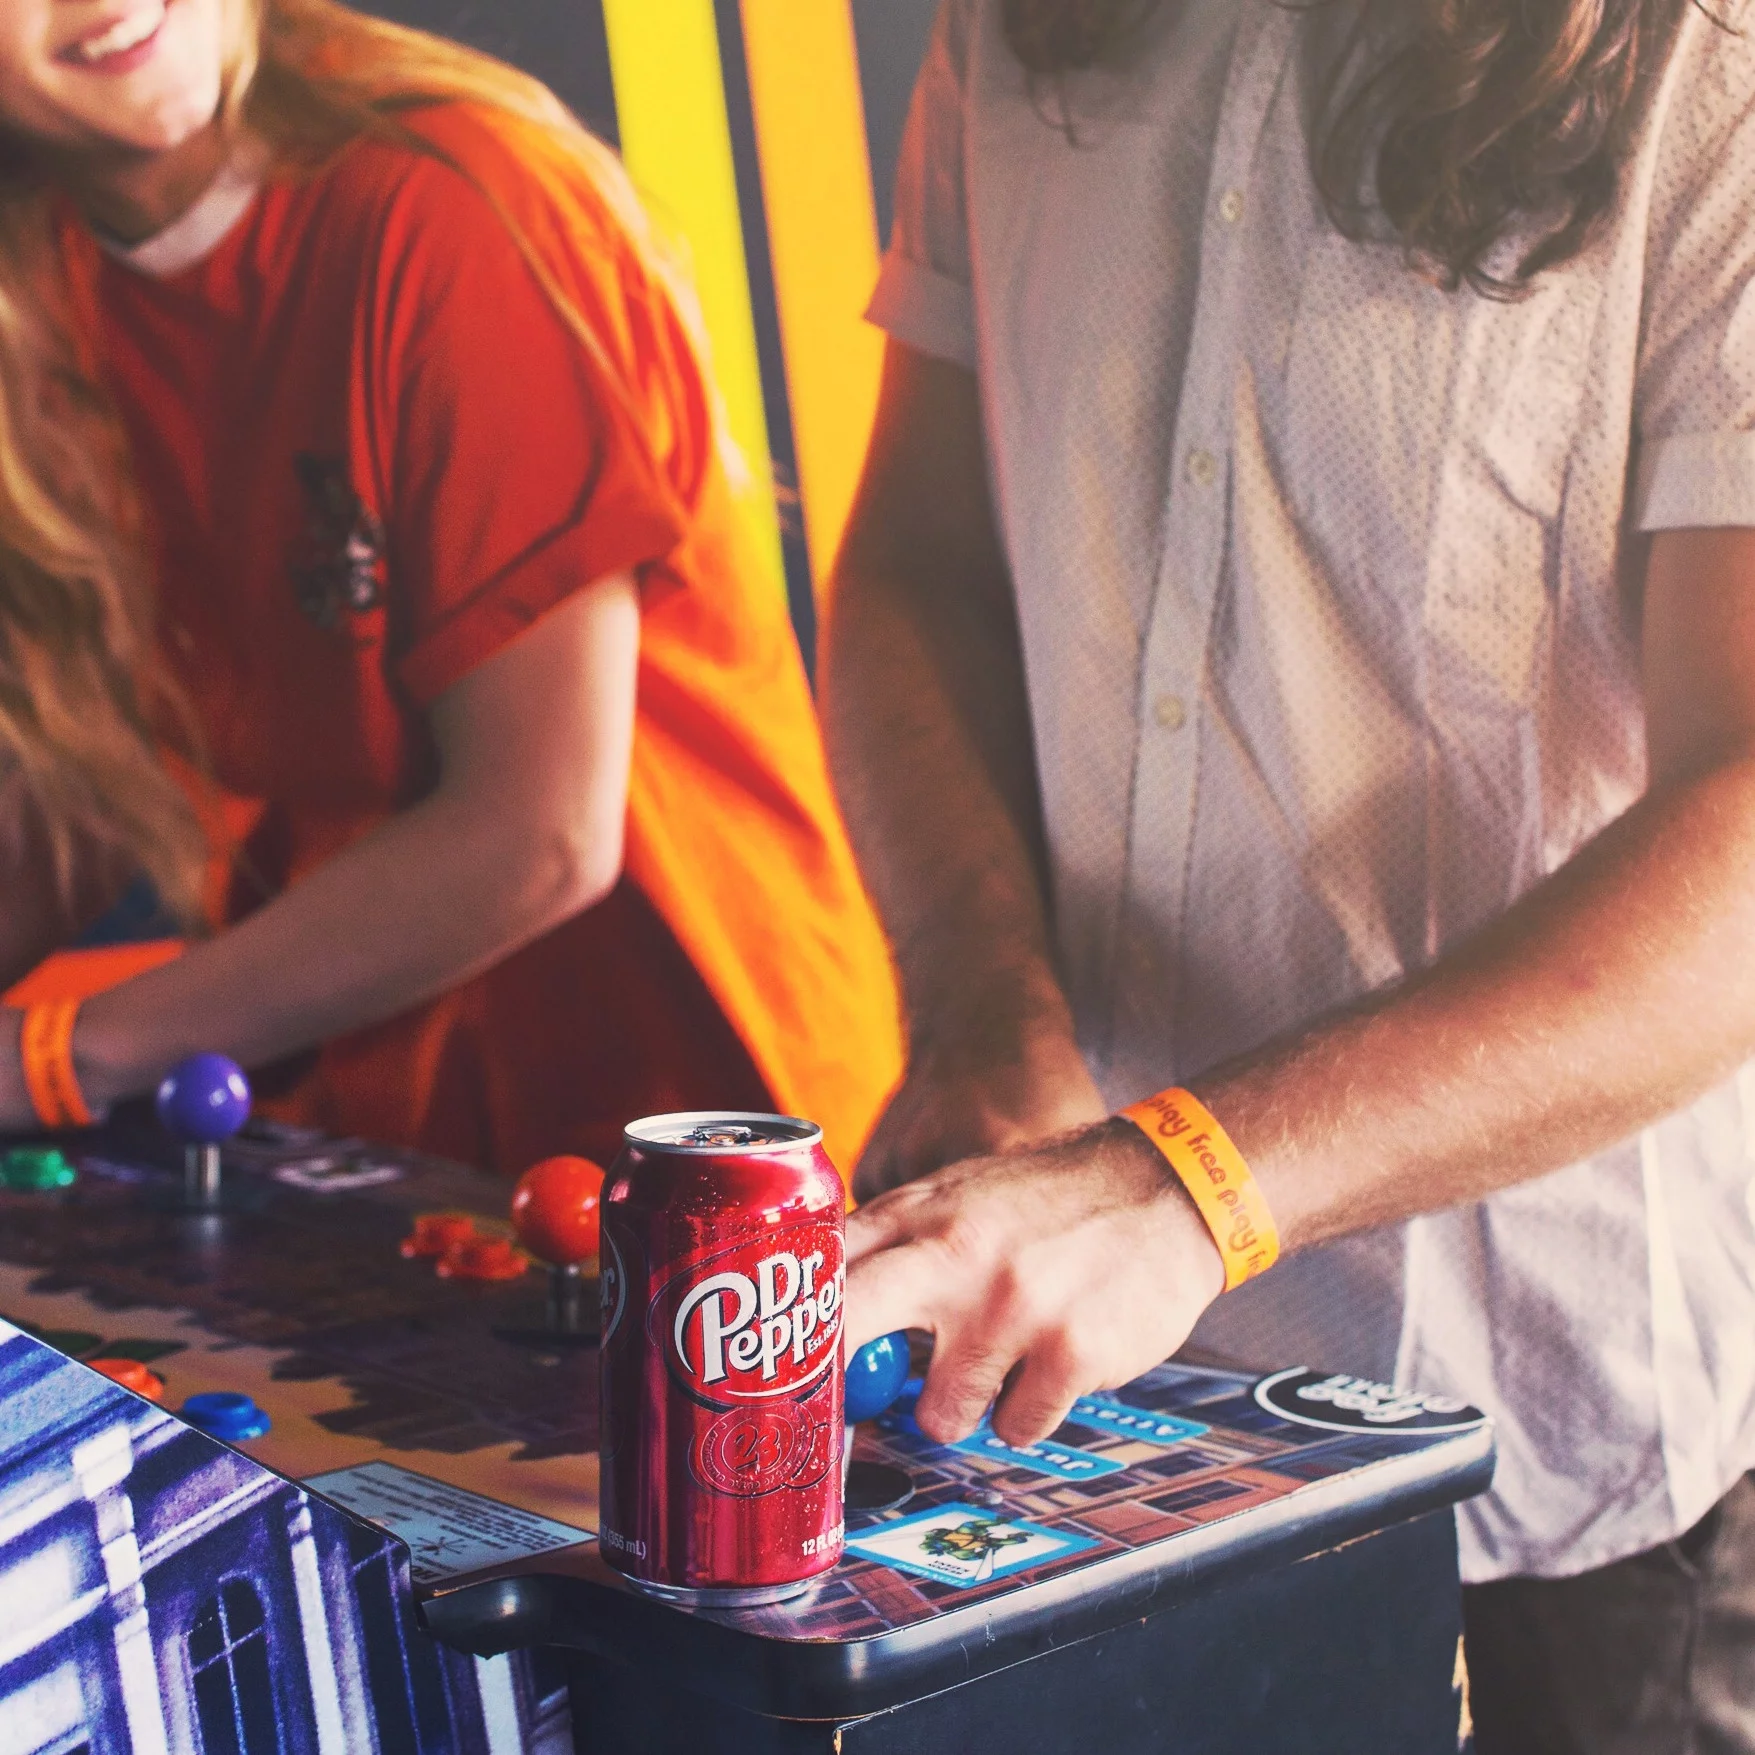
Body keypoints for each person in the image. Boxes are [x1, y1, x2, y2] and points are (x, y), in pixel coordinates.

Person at [829, 0, 1755, 1747]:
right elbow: (919, 567)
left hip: (1545, 1444)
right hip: (1071, 1404)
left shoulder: (1714, 65)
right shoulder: (1008, 29)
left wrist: (1179, 1183)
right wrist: (984, 1012)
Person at [0, 0, 900, 1177]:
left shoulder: (454, 201)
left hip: (712, 1145)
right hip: (401, 1152)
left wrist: (59, 1056)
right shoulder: (43, 287)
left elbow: (539, 835)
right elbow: (94, 770)